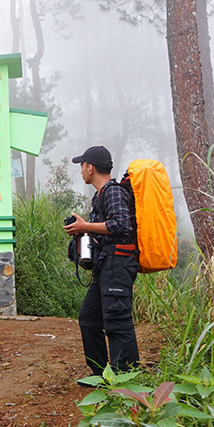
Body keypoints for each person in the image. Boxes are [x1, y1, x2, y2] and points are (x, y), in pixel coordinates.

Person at [64, 145, 140, 379]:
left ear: (90, 167)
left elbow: (121, 225)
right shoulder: (101, 195)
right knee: (89, 318)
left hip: (119, 264)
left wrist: (86, 226)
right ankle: (101, 375)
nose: (81, 172)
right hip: (107, 264)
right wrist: (85, 231)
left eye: (82, 167)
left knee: (117, 321)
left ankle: (126, 380)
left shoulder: (113, 192)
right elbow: (110, 227)